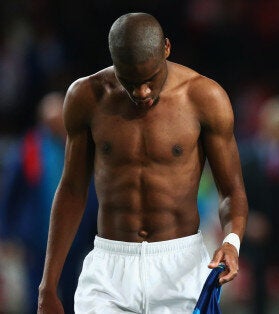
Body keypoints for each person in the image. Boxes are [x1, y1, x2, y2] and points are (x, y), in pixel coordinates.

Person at [37, 12, 249, 313]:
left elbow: (232, 191)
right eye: (130, 82)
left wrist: (231, 242)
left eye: (150, 80)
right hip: (109, 269)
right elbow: (71, 190)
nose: (141, 92)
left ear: (166, 48)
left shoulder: (205, 97)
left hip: (182, 267)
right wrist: (48, 285)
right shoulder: (86, 97)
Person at [0, 92, 98, 313]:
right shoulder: (29, 149)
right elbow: (10, 194)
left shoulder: (79, 145)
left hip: (75, 239)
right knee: (37, 296)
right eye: (51, 122)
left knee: (73, 294)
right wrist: (6, 233)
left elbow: (90, 192)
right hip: (37, 240)